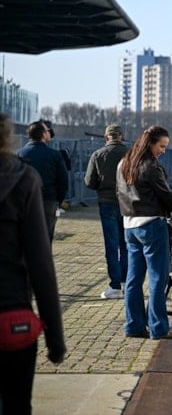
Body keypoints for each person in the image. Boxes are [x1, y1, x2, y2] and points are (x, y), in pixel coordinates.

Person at [0, 113, 66, 414]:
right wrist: (55, 339)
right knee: (17, 404)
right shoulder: (21, 179)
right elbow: (41, 266)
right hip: (11, 313)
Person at [116, 125, 172, 340]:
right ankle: (158, 327)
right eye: (161, 146)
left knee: (133, 278)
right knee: (158, 278)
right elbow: (166, 196)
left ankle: (133, 325)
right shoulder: (150, 166)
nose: (163, 150)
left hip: (129, 225)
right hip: (152, 225)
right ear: (151, 143)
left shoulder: (124, 163)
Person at [84, 124, 129, 299]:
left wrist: (101, 186)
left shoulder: (98, 155)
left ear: (106, 137)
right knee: (126, 244)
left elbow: (89, 181)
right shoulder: (130, 154)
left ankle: (115, 286)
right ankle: (126, 283)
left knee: (111, 245)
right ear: (121, 136)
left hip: (107, 203)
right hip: (127, 203)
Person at [17, 120, 69, 242]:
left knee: (26, 240)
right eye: (48, 131)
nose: (50, 133)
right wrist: (58, 201)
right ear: (43, 134)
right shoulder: (54, 155)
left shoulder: (19, 154)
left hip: (25, 201)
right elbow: (63, 182)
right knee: (45, 240)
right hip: (48, 201)